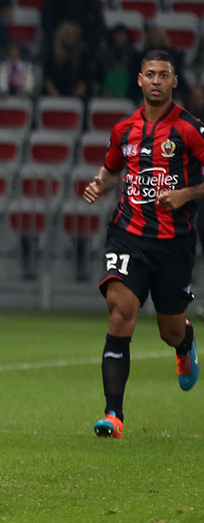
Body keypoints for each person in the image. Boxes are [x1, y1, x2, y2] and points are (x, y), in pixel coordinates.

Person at [83, 50, 204, 439]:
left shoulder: (190, 129)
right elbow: (112, 170)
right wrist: (100, 184)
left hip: (174, 242)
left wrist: (186, 194)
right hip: (128, 234)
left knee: (169, 330)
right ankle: (113, 415)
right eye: (149, 74)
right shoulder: (124, 130)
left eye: (163, 75)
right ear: (139, 79)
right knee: (120, 313)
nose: (155, 80)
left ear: (173, 82)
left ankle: (184, 342)